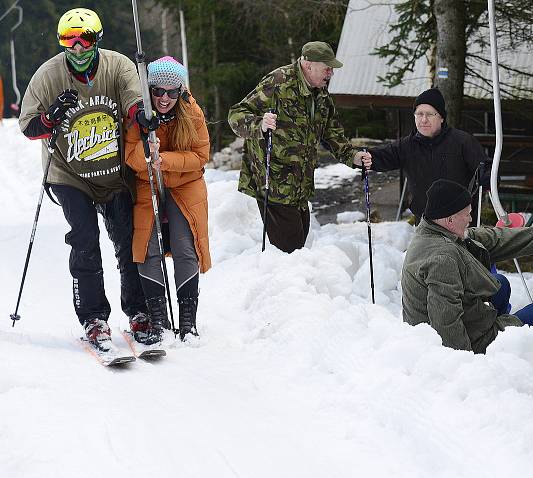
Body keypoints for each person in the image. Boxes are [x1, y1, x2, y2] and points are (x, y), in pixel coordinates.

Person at [18, 8, 157, 351]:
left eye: (85, 39)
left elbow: (133, 97)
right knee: (85, 240)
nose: (77, 48)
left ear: (98, 39)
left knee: (127, 239)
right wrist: (51, 117)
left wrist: (142, 114)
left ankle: (138, 312)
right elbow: (28, 125)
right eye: (69, 40)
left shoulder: (117, 65)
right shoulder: (48, 75)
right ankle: (94, 319)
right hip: (69, 173)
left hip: (113, 173)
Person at [402, 179, 533, 353]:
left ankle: (514, 350)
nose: (470, 219)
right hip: (462, 345)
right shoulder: (442, 258)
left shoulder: (437, 232)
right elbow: (446, 325)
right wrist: (468, 369)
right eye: (467, 215)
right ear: (450, 219)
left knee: (499, 284)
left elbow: (499, 239)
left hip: (468, 323)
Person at [228, 41, 370, 253]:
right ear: (309, 64)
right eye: (327, 68)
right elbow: (236, 115)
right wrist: (260, 124)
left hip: (301, 186)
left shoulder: (321, 94)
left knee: (298, 250)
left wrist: (353, 156)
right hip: (274, 182)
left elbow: (332, 134)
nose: (331, 73)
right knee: (290, 252)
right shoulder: (278, 82)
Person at [124, 56, 210, 343]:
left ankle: (188, 323)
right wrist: (148, 155)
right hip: (148, 184)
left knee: (186, 247)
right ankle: (159, 319)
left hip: (185, 184)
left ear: (180, 92)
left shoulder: (192, 113)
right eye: (158, 91)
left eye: (172, 92)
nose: (164, 98)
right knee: (147, 246)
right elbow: (129, 154)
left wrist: (165, 159)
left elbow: (200, 157)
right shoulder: (139, 114)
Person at [360, 88, 490, 226]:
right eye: (419, 114)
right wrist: (357, 156)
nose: (424, 119)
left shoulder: (463, 142)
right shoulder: (406, 146)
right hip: (424, 223)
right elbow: (380, 157)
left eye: (429, 114)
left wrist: (487, 177)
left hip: (460, 222)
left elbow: (486, 167)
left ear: (441, 117)